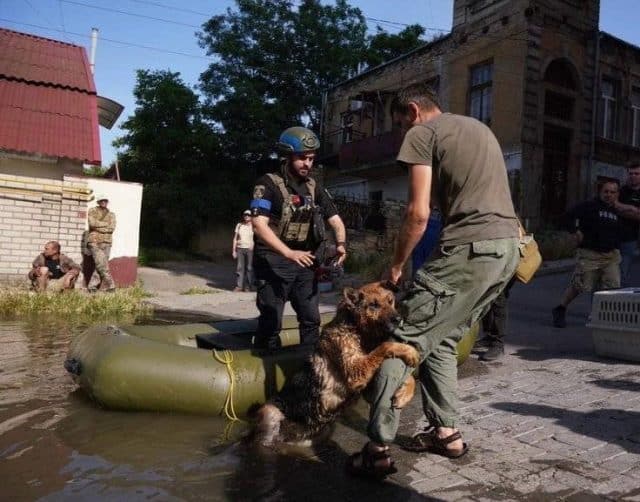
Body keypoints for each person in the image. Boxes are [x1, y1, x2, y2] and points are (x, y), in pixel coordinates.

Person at [348, 83, 520, 478]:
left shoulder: (424, 133)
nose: (400, 133)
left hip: (470, 249)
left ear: (413, 111)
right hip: (507, 250)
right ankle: (447, 433)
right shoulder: (478, 128)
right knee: (440, 339)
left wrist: (395, 266)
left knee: (402, 340)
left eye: (398, 123)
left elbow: (418, 213)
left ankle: (375, 449)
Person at [250, 126, 347, 351]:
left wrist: (341, 244)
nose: (307, 164)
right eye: (302, 158)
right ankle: (266, 367)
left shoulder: (314, 188)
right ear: (288, 156)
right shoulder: (267, 184)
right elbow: (258, 225)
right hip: (274, 261)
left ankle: (310, 366)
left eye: (311, 159)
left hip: (305, 262)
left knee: (311, 319)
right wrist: (288, 253)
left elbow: (335, 219)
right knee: (271, 321)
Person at [551, 179, 623, 328]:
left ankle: (600, 315)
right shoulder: (589, 206)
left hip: (610, 256)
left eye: (612, 192)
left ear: (617, 194)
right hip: (590, 254)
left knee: (612, 286)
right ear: (600, 192)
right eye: (606, 191)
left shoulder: (617, 210)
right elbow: (566, 217)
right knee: (581, 285)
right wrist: (575, 231)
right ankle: (560, 308)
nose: (609, 195)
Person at [613, 163, 640, 287]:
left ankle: (616, 302)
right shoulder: (622, 190)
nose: (633, 176)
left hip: (630, 239)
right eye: (631, 173)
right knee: (606, 272)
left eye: (637, 174)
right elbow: (613, 205)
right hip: (612, 236)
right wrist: (631, 208)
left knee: (622, 273)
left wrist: (621, 210)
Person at [87, 194, 116, 293]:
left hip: (107, 242)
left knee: (100, 264)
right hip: (94, 241)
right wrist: (105, 225)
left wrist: (99, 227)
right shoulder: (92, 211)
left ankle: (92, 286)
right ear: (98, 202)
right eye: (102, 200)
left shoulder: (111, 214)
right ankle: (111, 285)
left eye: (105, 200)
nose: (104, 202)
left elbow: (112, 228)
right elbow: (92, 223)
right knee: (101, 264)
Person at [232, 210, 254, 292]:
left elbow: (257, 237)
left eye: (248, 214)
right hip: (240, 248)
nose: (246, 216)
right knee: (239, 267)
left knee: (249, 268)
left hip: (249, 249)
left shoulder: (254, 226)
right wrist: (234, 250)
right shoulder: (239, 225)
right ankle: (239, 286)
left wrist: (253, 245)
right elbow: (235, 238)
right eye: (245, 214)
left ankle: (248, 287)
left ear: (251, 216)